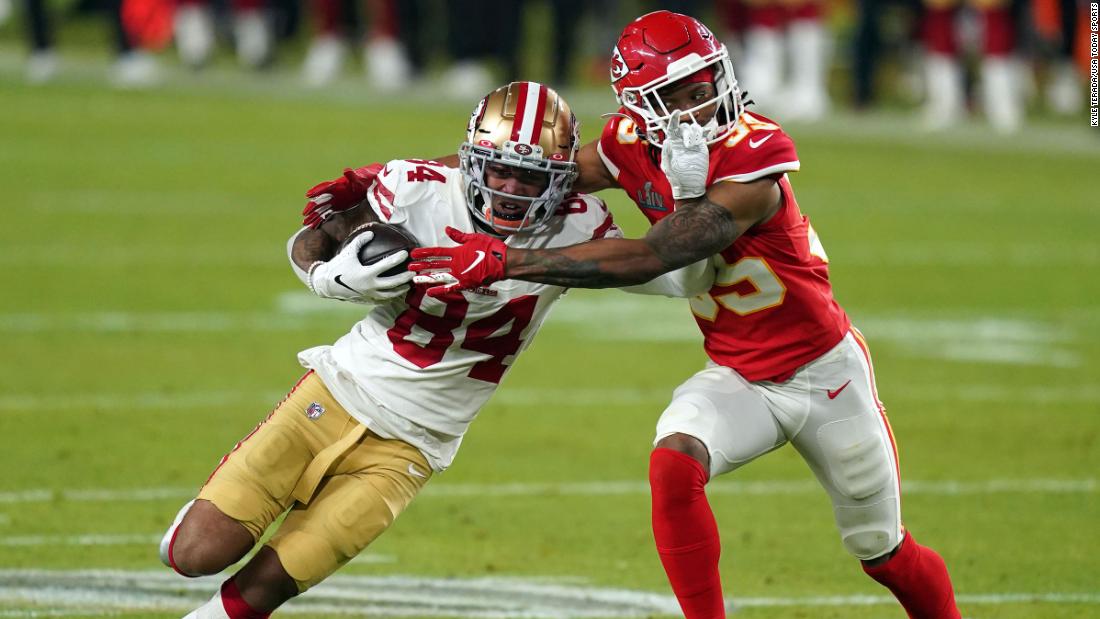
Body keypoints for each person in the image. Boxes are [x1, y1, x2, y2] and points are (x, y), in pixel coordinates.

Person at [307, 11, 963, 619]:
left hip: (826, 375)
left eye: (703, 83)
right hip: (739, 373)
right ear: (640, 107)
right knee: (674, 459)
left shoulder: (756, 157)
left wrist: (509, 262)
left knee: (882, 550)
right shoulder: (627, 142)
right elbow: (530, 168)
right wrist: (390, 175)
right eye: (675, 95)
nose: (698, 102)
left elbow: (659, 253)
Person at [157, 81, 711, 619]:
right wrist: (326, 276)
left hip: (416, 446)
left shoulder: (578, 225)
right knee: (195, 554)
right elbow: (316, 234)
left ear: (561, 178)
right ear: (471, 159)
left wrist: (688, 198)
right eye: (500, 170)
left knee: (274, 582)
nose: (511, 190)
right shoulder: (414, 188)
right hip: (335, 392)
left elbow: (681, 278)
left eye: (529, 177)